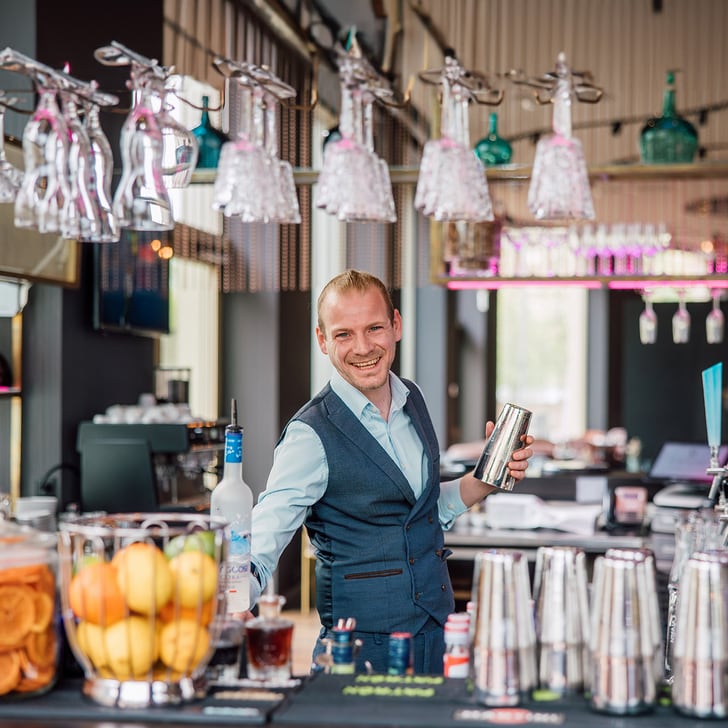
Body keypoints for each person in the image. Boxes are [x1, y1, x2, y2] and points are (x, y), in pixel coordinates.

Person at [249, 269, 534, 674]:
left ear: (396, 325)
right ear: (322, 340)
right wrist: (227, 600)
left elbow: (423, 508)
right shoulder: (309, 435)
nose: (363, 347)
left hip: (437, 635)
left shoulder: (411, 398)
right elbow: (264, 538)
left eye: (375, 328)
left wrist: (485, 478)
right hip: (361, 650)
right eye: (344, 334)